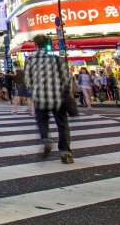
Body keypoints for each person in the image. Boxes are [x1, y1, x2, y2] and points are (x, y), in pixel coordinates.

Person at [26, 34, 75, 165]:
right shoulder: (56, 59)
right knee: (62, 125)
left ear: (35, 45)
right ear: (48, 44)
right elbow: (66, 79)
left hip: (40, 98)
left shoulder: (30, 60)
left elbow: (28, 82)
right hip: (58, 97)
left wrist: (35, 91)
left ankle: (46, 139)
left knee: (42, 122)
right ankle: (65, 153)